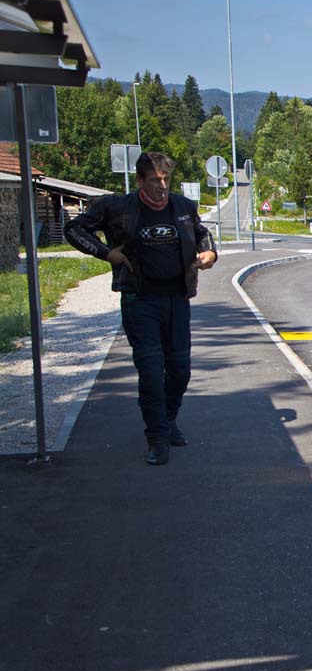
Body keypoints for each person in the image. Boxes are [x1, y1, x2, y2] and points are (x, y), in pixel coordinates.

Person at [64, 152, 218, 466]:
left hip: (177, 298)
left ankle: (168, 420)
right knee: (150, 370)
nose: (162, 186)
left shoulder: (183, 207)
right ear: (139, 180)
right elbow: (74, 230)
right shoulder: (117, 207)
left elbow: (203, 234)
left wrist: (210, 253)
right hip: (140, 300)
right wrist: (106, 253)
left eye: (166, 179)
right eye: (154, 180)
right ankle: (157, 437)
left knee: (180, 370)